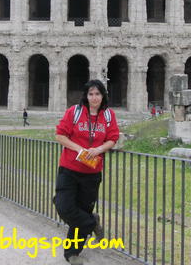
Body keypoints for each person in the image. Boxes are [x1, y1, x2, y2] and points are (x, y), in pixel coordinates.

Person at [53, 79, 120, 264]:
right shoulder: (74, 112)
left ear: (103, 95)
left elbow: (113, 138)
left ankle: (72, 253)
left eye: (98, 94)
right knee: (63, 205)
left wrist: (98, 149)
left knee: (82, 209)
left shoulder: (108, 115)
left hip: (92, 172)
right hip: (69, 168)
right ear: (86, 96)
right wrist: (78, 149)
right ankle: (92, 222)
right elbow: (59, 135)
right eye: (91, 94)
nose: (94, 97)